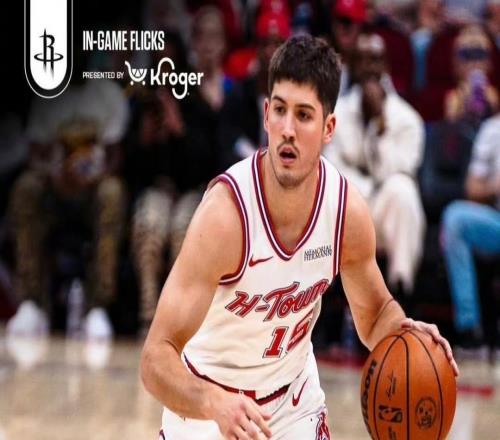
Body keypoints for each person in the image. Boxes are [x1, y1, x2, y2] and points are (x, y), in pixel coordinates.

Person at [140, 35, 458, 440]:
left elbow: (376, 315)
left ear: (328, 128)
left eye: (304, 115)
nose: (287, 129)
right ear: (266, 115)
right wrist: (214, 402)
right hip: (208, 404)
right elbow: (155, 359)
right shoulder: (225, 216)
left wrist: (408, 333)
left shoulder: (345, 211)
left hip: (293, 405)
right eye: (280, 110)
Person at [323, 33, 425, 302]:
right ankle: (322, 301)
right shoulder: (337, 114)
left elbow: (399, 170)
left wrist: (379, 124)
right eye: (362, 60)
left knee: (403, 190)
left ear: (386, 66)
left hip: (385, 211)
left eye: (375, 59)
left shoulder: (407, 120)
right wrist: (365, 189)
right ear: (353, 65)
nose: (368, 67)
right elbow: (330, 170)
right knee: (327, 195)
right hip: (350, 208)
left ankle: (401, 292)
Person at [441, 110, 500, 353]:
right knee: (455, 219)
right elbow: (472, 187)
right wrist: (495, 185)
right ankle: (469, 330)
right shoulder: (493, 129)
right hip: (496, 220)